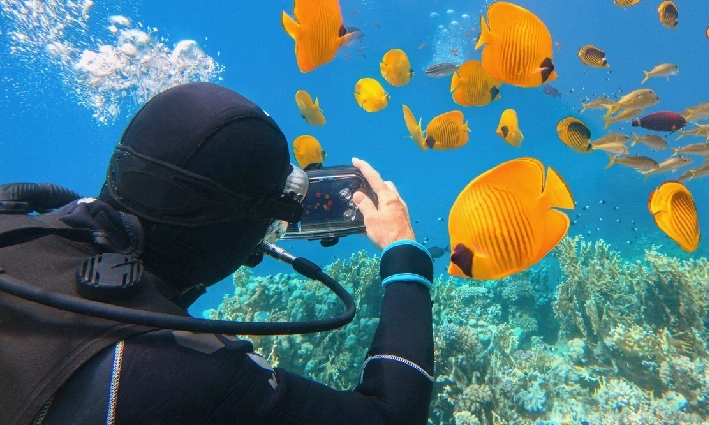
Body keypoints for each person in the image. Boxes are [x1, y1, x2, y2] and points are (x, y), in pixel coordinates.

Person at [0, 82, 434, 425]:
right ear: (230, 231)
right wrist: (403, 252)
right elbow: (389, 416)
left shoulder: (17, 224)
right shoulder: (184, 373)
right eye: (270, 217)